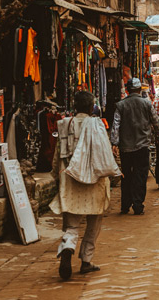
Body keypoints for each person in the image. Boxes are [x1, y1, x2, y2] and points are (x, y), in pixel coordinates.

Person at [52, 91, 115, 280]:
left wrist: (56, 175)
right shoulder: (97, 125)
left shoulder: (64, 124)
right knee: (94, 223)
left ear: (75, 106)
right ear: (91, 108)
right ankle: (86, 260)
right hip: (95, 180)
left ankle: (68, 246)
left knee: (71, 224)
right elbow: (105, 152)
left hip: (70, 179)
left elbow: (57, 155)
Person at [111, 78, 159, 216]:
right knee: (140, 175)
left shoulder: (121, 105)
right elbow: (156, 121)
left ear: (127, 90)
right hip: (142, 145)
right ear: (140, 90)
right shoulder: (146, 103)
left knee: (126, 175)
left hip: (125, 147)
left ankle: (125, 205)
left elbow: (116, 125)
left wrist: (114, 143)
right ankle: (138, 204)